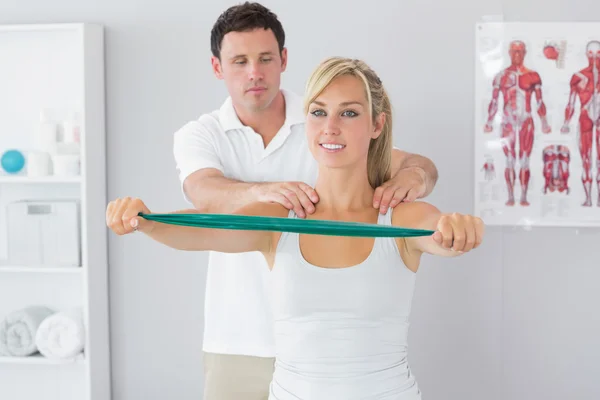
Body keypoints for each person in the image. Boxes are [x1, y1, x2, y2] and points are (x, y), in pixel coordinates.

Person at [108, 56, 484, 400]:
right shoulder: (279, 219)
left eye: (349, 114)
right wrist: (145, 220)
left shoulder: (400, 218)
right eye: (319, 113)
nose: (330, 128)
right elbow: (202, 232)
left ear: (376, 124)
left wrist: (458, 229)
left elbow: (442, 233)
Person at [171, 3, 440, 399]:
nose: (254, 73)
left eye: (265, 58)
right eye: (239, 61)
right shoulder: (201, 134)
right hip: (237, 340)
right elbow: (203, 191)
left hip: (323, 350)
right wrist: (263, 193)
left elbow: (417, 164)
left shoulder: (322, 119)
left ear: (283, 59)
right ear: (217, 67)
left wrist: (411, 178)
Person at [483, 40, 551, 207]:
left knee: (525, 159)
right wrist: (489, 122)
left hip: (526, 121)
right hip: (507, 122)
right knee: (510, 160)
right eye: (514, 51)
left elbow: (540, 102)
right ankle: (511, 196)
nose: (517, 55)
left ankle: (524, 197)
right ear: (509, 52)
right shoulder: (501, 76)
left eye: (520, 51)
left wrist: (544, 122)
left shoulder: (532, 76)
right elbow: (494, 101)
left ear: (525, 53)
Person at [560, 40, 600, 206]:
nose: (594, 58)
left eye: (598, 54)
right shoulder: (578, 77)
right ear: (586, 55)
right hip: (584, 118)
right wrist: (566, 122)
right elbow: (571, 103)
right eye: (591, 54)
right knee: (586, 159)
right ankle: (588, 198)